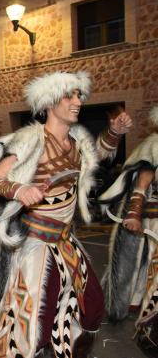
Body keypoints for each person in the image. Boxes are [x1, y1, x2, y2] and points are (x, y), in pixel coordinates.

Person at [0, 71, 132, 357]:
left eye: (79, 95)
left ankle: (66, 348)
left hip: (67, 243)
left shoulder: (76, 142)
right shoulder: (30, 139)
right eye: (69, 95)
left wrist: (114, 133)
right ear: (49, 102)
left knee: (91, 306)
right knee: (35, 324)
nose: (77, 101)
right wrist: (18, 189)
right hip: (37, 245)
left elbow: (98, 153)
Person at [99, 105, 158, 354]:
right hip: (153, 220)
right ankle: (148, 322)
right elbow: (142, 181)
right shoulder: (154, 145)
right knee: (145, 268)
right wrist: (133, 213)